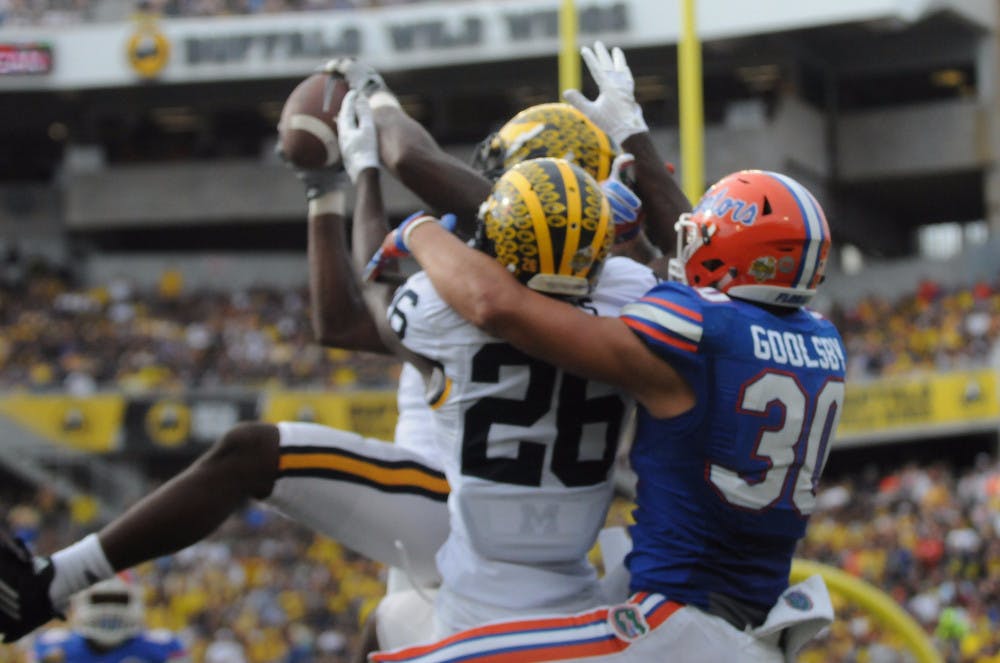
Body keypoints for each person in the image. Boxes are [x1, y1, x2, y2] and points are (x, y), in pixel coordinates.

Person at [0, 46, 686, 650]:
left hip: (456, 500)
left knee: (252, 453)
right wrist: (637, 141)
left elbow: (384, 248)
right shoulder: (638, 295)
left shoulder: (464, 293)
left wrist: (362, 159)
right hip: (545, 538)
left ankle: (54, 581)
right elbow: (692, 258)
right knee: (389, 625)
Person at [366, 165, 845, 661]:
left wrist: (417, 231)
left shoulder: (701, 331)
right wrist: (629, 235)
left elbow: (496, 304)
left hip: (679, 623)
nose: (687, 251)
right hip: (746, 615)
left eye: (704, 238)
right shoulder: (820, 338)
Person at [28, 575, 189, 663]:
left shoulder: (163, 646)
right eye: (101, 600)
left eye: (119, 600)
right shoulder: (54, 647)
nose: (109, 610)